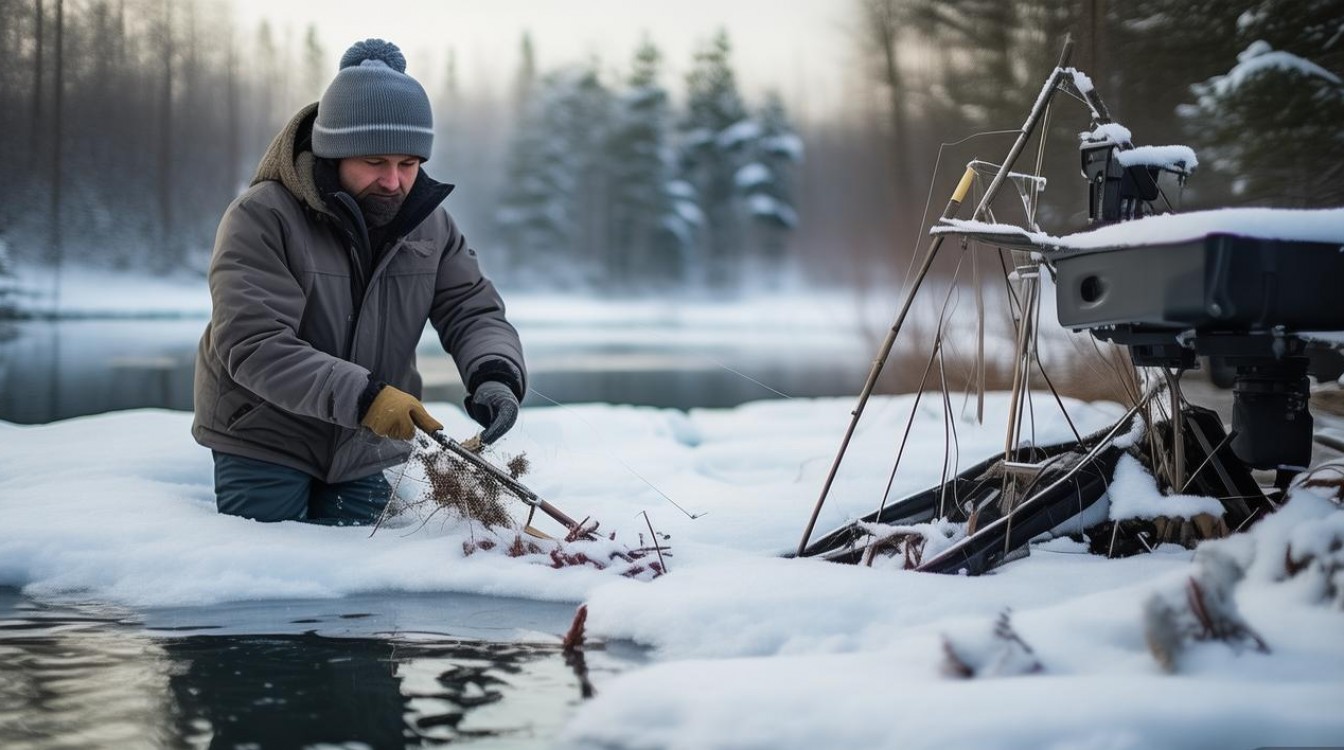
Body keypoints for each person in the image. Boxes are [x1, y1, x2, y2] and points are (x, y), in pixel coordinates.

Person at [192, 38, 526, 525]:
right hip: (265, 437)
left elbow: (470, 308)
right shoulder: (263, 216)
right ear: (333, 154)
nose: (393, 181)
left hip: (365, 447)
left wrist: (494, 373)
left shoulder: (430, 226)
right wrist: (367, 397)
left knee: (360, 596)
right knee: (277, 587)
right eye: (375, 162)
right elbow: (253, 344)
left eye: (408, 164)